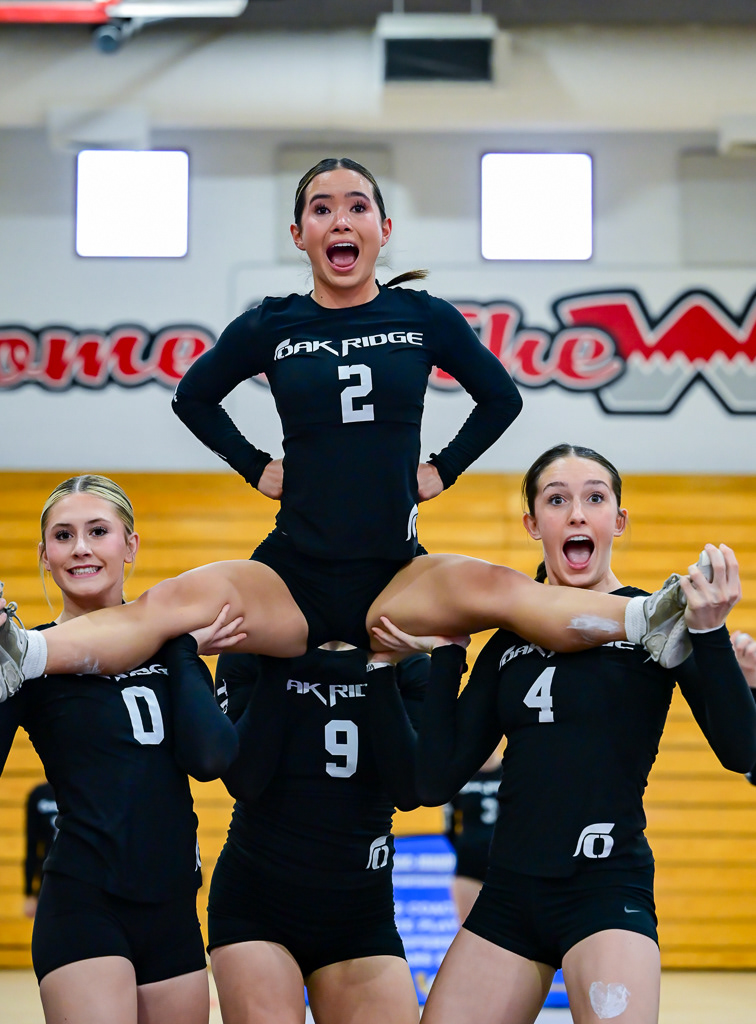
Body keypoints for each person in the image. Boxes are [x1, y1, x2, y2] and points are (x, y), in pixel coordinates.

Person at [0, 161, 702, 693]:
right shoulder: (272, 324)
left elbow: (500, 398)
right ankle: (26, 655)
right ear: (300, 234)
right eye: (322, 208)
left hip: (395, 574)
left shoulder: (422, 318)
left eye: (357, 207)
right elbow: (193, 397)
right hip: (292, 574)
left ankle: (647, 622)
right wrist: (255, 466)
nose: (341, 220)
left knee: (497, 588)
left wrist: (442, 469)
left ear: (383, 230)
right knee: (172, 603)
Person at [371, 443, 756, 1024]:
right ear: (533, 524)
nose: (577, 513)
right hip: (508, 894)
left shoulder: (657, 625)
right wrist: (448, 652)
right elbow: (434, 779)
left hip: (604, 891)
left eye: (594, 498)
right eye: (557, 500)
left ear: (617, 522)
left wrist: (710, 634)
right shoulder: (505, 644)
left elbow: (742, 749)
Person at [0, 474, 241, 1024]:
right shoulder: (29, 660)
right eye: (63, 535)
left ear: (129, 546)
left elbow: (210, 760)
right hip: (85, 900)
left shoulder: (173, 649)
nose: (80, 547)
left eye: (98, 531)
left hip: (173, 906)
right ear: (44, 555)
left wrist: (178, 649)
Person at [207, 643, 433, 1024]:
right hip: (258, 904)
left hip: (362, 913)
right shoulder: (251, 652)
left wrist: (379, 669)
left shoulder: (408, 662)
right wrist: (280, 655)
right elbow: (244, 780)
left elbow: (412, 790)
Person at [443, 747, 502, 926]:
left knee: (516, 936)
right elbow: (449, 824)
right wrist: (464, 846)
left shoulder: (512, 771)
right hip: (469, 863)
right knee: (468, 929)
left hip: (505, 865)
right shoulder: (461, 775)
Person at [23, 779, 58, 919]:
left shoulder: (84, 791)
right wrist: (29, 892)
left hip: (80, 876)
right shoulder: (39, 794)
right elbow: (32, 845)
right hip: (49, 876)